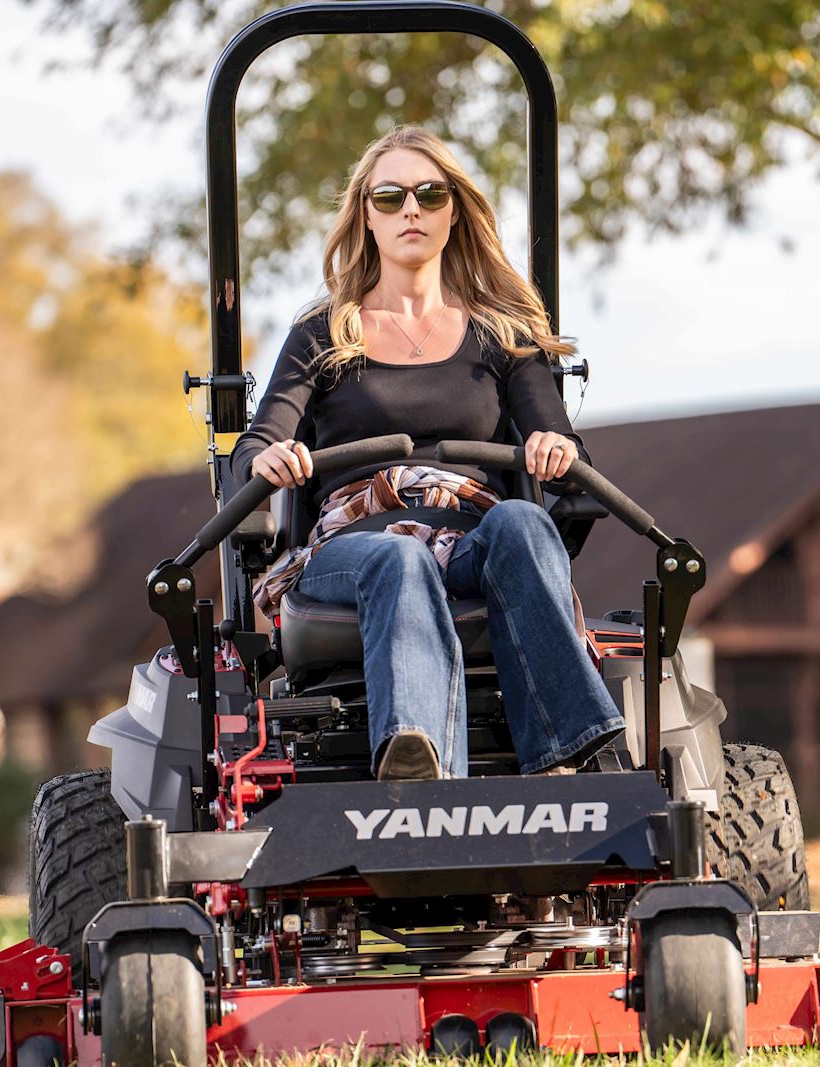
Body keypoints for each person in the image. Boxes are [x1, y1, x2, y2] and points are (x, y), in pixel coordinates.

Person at [231, 125, 627, 782]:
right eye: (389, 196)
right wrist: (263, 461)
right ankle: (418, 760)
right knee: (399, 554)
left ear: (452, 209)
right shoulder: (324, 331)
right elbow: (259, 440)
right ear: (367, 214)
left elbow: (561, 444)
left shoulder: (503, 334)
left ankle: (565, 757)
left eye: (428, 193)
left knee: (524, 521)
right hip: (355, 549)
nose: (409, 209)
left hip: (470, 543)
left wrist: (556, 448)